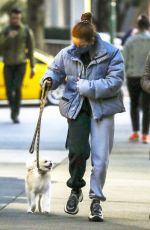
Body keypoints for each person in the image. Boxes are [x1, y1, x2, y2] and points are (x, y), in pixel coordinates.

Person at [41, 12, 125, 222]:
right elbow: (55, 69)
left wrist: (87, 86)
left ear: (91, 40)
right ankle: (75, 189)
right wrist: (48, 80)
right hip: (77, 108)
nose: (77, 47)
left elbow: (115, 82)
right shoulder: (67, 52)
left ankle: (96, 201)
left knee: (100, 159)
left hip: (103, 108)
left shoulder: (111, 53)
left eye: (81, 44)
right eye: (75, 43)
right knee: (77, 151)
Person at [0, 7, 35, 123]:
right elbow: (0, 46)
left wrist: (33, 67)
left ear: (20, 17)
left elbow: (31, 49)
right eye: (13, 18)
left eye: (17, 18)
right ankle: (12, 107)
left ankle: (15, 113)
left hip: (21, 64)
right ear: (11, 17)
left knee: (17, 87)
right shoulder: (5, 30)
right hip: (8, 64)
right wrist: (9, 38)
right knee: (9, 90)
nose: (15, 20)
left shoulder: (26, 30)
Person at [123, 14, 150, 144]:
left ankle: (135, 132)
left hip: (132, 76)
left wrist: (124, 74)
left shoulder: (130, 41)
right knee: (147, 107)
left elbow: (124, 60)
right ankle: (145, 135)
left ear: (137, 26)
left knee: (134, 104)